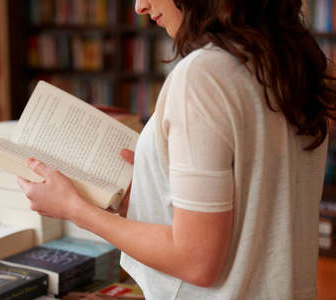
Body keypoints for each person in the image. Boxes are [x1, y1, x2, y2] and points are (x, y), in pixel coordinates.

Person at [17, 0, 336, 299]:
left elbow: (196, 261)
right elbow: (257, 203)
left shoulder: (204, 76)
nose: (140, 6)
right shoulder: (296, 64)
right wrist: (145, 193)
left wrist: (75, 209)